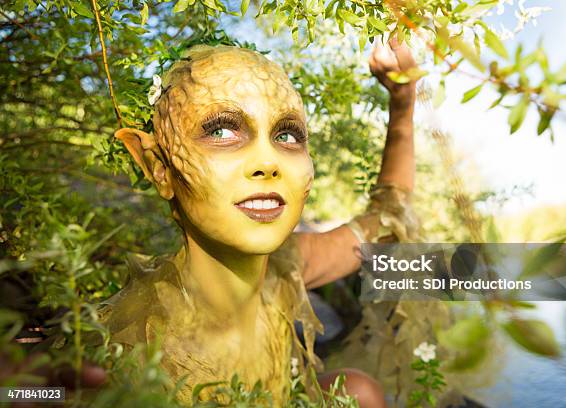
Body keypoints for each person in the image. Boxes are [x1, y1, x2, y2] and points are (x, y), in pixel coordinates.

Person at [104, 37, 419, 407]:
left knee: (358, 391)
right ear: (159, 168)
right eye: (221, 131)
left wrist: (403, 103)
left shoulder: (287, 267)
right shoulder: (127, 351)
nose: (268, 162)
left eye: (287, 135)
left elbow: (386, 218)